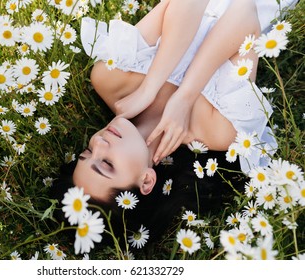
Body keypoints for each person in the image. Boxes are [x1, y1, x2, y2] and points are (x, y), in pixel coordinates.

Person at [50, 0, 297, 246]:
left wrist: (150, 88)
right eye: (106, 163)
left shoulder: (110, 79)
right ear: (146, 180)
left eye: (88, 151)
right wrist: (184, 97)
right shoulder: (217, 131)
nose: (100, 142)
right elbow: (244, 11)